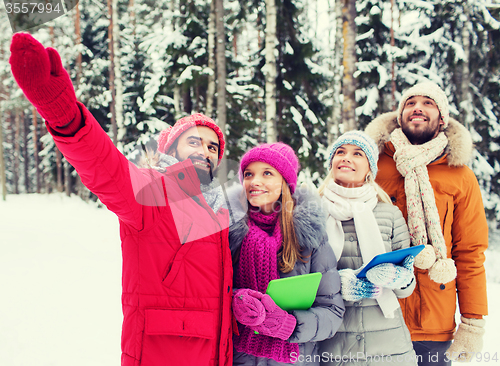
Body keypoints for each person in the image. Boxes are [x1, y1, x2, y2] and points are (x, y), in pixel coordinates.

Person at [10, 33, 234, 366]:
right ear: (170, 151)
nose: (205, 151)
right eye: (194, 142)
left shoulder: (220, 213)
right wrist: (63, 113)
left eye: (213, 147)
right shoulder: (152, 192)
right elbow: (104, 166)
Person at [365, 81, 488, 365]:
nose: (417, 108)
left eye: (428, 103)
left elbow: (470, 252)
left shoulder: (460, 174)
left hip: (433, 320)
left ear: (441, 118)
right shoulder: (372, 165)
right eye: (410, 103)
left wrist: (472, 321)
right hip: (377, 311)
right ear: (400, 115)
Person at [226, 142, 345, 366]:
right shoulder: (228, 233)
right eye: (248, 174)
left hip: (294, 360)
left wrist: (290, 325)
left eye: (267, 173)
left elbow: (332, 311)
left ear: (285, 183)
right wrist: (235, 300)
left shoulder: (310, 236)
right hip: (239, 359)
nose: (254, 181)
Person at [318, 131, 418, 366]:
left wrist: (398, 277)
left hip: (388, 347)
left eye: (357, 153)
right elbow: (299, 274)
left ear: (370, 168)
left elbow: (408, 286)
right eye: (340, 152)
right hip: (332, 346)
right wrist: (335, 284)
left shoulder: (390, 214)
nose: (346, 158)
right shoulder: (312, 212)